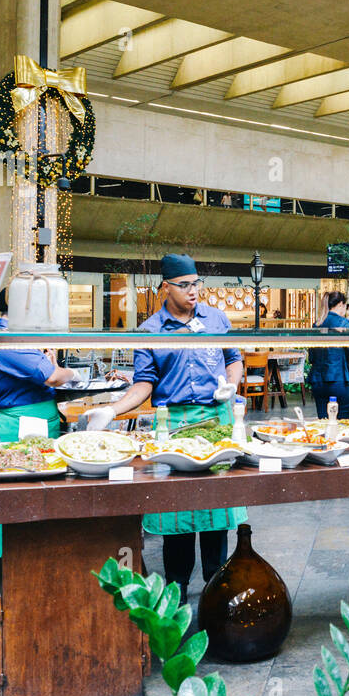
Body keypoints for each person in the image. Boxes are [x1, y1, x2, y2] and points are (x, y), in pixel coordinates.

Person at [82, 254, 243, 604]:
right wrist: (110, 410)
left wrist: (231, 385)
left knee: (216, 508)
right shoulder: (151, 331)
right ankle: (177, 590)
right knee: (177, 511)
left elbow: (234, 358)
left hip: (217, 420)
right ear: (165, 288)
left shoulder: (215, 319)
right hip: (173, 426)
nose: (193, 291)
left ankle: (218, 589)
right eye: (184, 285)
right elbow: (143, 385)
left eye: (196, 283)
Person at [0, 289, 80, 625]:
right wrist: (72, 373)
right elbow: (51, 374)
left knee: (36, 510)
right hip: (17, 430)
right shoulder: (7, 339)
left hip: (37, 426)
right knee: (0, 516)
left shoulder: (22, 337)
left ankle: (31, 589)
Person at [309, 291, 349, 419]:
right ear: (341, 305)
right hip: (341, 381)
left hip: (318, 382)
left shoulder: (317, 324)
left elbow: (312, 356)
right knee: (344, 424)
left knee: (323, 423)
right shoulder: (343, 323)